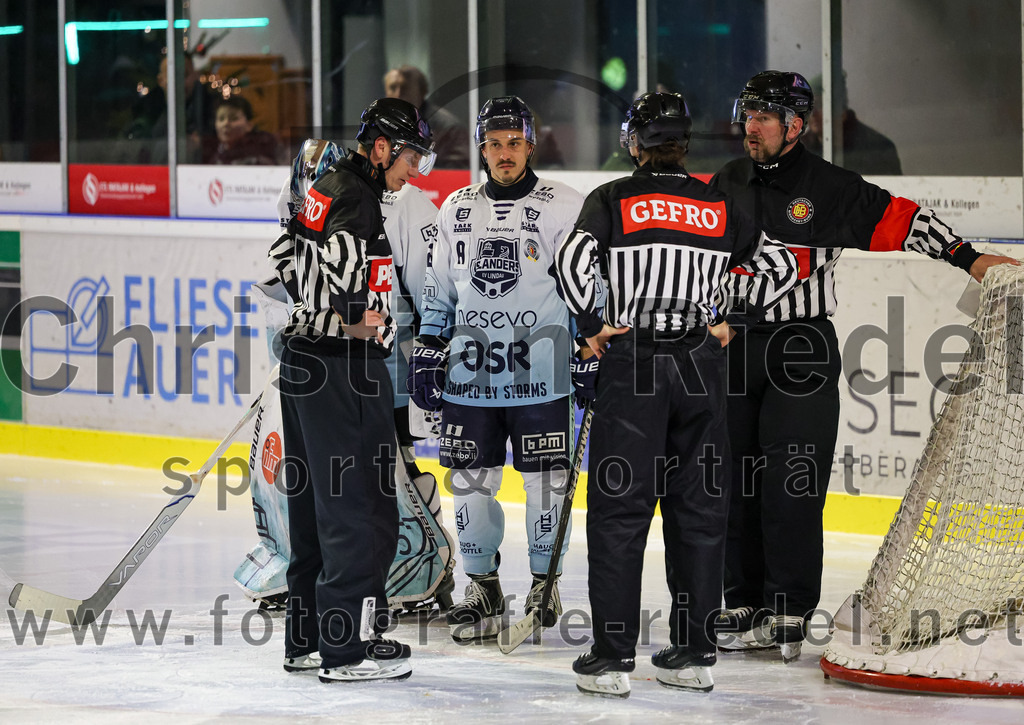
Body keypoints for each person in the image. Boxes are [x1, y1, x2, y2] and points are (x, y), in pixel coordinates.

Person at [709, 70, 1019, 662]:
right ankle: (743, 596)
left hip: (801, 349)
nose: (751, 126)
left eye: (764, 117)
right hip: (737, 348)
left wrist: (970, 258)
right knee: (738, 479)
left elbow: (907, 220)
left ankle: (789, 605)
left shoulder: (828, 186)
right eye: (746, 114)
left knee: (792, 480)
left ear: (795, 126)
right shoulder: (726, 180)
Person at [555, 91, 799, 697]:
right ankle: (693, 654)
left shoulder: (613, 198)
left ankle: (611, 658)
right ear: (683, 144)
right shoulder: (718, 201)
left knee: (619, 511)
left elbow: (569, 264)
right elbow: (781, 265)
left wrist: (591, 328)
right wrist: (729, 319)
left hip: (635, 361)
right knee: (698, 511)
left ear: (635, 142)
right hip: (697, 363)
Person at [268, 98, 436, 683]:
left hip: (304, 360)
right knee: (359, 505)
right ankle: (345, 650)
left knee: (315, 502)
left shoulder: (327, 185)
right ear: (383, 146)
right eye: (411, 156)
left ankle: (307, 639)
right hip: (342, 363)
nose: (414, 170)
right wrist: (351, 312)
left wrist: (312, 306)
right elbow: (344, 262)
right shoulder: (358, 195)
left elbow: (279, 259)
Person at [407, 95, 584, 643]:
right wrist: (431, 345)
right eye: (494, 143)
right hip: (471, 377)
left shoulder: (565, 205)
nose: (504, 153)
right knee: (469, 484)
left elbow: (585, 287)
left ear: (531, 143)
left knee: (546, 484)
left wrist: (587, 352)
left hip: (543, 375)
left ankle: (542, 581)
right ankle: (481, 585)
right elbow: (440, 289)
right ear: (481, 148)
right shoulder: (455, 208)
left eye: (514, 142)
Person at [803, 73, 902, 175]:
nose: (813, 113)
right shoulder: (798, 149)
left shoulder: (878, 149)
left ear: (838, 108)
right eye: (809, 106)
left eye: (819, 105)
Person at [385, 65, 471, 168]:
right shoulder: (382, 124)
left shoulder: (450, 130)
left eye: (405, 88)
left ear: (422, 91)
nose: (398, 94)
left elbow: (460, 175)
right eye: (393, 87)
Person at [206, 94, 281, 165]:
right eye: (221, 119)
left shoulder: (263, 152)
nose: (226, 124)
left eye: (233, 118)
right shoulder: (212, 154)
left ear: (249, 125)